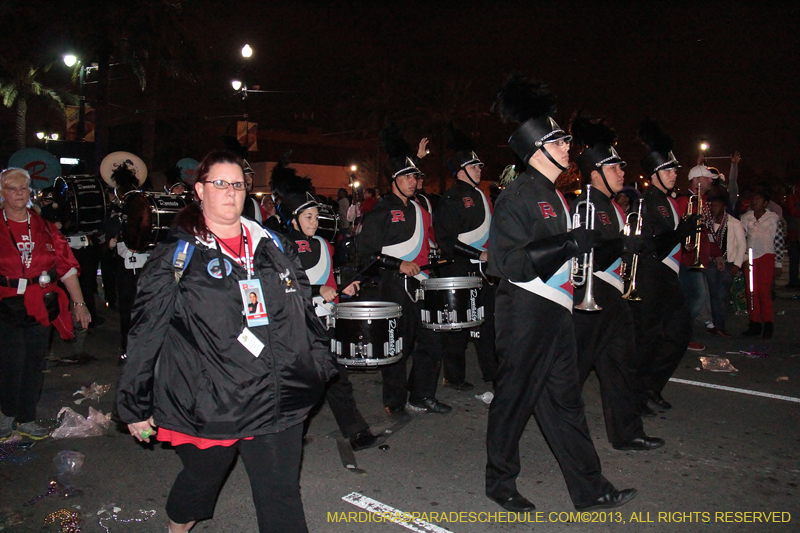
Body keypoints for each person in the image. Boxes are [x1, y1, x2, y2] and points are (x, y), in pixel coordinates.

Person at [116, 151, 334, 533]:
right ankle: (179, 522)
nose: (231, 192)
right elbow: (146, 331)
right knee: (203, 477)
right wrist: (134, 403)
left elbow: (304, 309)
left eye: (237, 184)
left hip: (277, 393)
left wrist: (317, 365)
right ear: (200, 190)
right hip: (214, 397)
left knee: (281, 493)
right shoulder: (178, 255)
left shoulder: (273, 246)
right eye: (220, 183)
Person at [485, 75, 635, 513]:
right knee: (514, 399)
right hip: (525, 310)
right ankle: (500, 482)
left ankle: (590, 490)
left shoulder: (558, 196)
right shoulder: (518, 196)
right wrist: (569, 244)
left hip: (557, 311)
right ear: (538, 150)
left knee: (566, 403)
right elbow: (505, 263)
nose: (568, 146)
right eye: (560, 140)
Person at [568, 111, 663, 451]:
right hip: (589, 299)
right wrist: (624, 245)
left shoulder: (613, 206)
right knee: (570, 375)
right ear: (596, 174)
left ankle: (627, 433)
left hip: (613, 297)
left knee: (621, 366)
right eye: (614, 168)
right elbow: (587, 253)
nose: (622, 172)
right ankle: (531, 419)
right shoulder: (586, 204)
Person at [276, 161, 381, 451]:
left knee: (333, 378)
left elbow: (330, 278)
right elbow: (282, 287)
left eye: (315, 216)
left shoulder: (324, 244)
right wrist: (315, 290)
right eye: (307, 217)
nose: (314, 221)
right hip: (297, 323)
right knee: (306, 382)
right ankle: (294, 432)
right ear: (293, 221)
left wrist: (342, 287)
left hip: (325, 321)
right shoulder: (281, 247)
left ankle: (351, 431)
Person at [358, 122, 451, 420]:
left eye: (416, 176)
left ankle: (422, 395)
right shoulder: (382, 211)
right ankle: (394, 401)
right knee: (397, 345)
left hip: (423, 283)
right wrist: (398, 264)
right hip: (395, 286)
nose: (414, 181)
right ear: (394, 180)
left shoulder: (421, 207)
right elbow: (364, 254)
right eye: (407, 177)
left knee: (432, 342)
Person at [0, 168, 91, 440]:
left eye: (24, 188)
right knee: (10, 361)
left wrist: (79, 303)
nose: (19, 193)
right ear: (2, 192)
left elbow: (66, 268)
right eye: (12, 188)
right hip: (6, 302)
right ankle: (6, 415)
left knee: (34, 361)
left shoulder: (46, 227)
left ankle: (26, 417)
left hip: (41, 302)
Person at [630, 119, 697, 414]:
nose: (674, 174)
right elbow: (648, 245)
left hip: (668, 277)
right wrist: (680, 232)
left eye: (673, 169)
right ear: (655, 173)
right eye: (668, 170)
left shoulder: (668, 201)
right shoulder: (646, 202)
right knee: (647, 340)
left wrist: (683, 234)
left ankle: (650, 386)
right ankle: (636, 395)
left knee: (679, 334)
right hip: (651, 277)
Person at [433, 123, 497, 391]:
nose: (479, 170)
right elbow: (446, 241)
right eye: (474, 167)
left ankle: (492, 373)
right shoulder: (450, 198)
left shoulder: (481, 195)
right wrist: (477, 254)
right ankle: (454, 376)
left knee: (487, 323)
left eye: (479, 166)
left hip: (484, 271)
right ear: (460, 171)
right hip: (459, 268)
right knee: (458, 328)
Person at [740, 189, 783, 338]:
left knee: (764, 292)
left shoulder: (773, 218)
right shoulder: (746, 218)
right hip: (750, 257)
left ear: (765, 203)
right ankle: (754, 323)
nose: (754, 202)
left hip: (766, 256)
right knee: (751, 292)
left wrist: (778, 263)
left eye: (758, 200)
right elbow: (741, 239)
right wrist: (744, 258)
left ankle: (768, 323)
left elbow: (778, 241)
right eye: (754, 199)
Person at [706, 194, 746, 337]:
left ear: (724, 207)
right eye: (711, 206)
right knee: (713, 294)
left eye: (716, 205)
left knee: (722, 294)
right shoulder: (708, 223)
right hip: (711, 263)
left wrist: (737, 264)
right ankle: (715, 324)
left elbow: (742, 245)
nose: (713, 208)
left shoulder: (734, 223)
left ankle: (721, 325)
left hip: (728, 263)